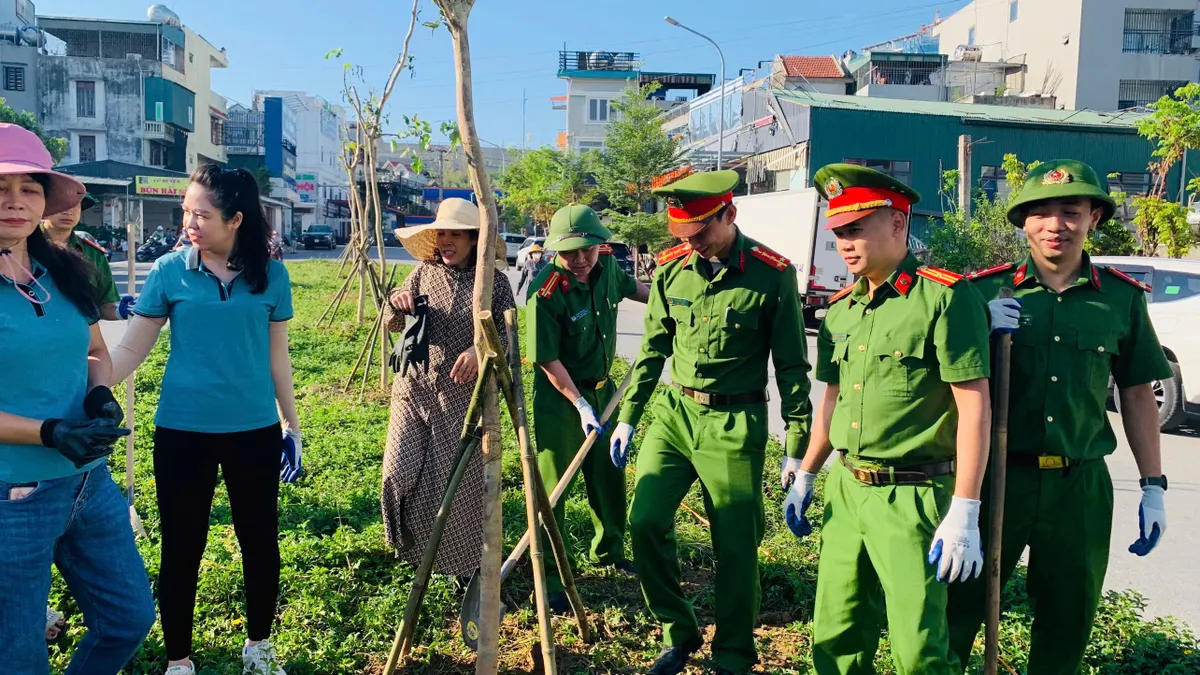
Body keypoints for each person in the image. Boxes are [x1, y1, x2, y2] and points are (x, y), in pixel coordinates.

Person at [944, 160, 1173, 675]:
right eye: (1041, 213)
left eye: (1071, 211)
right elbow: (944, 383)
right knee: (958, 610)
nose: (1056, 225)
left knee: (1067, 619)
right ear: (1022, 222)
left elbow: (1137, 394)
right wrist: (975, 326)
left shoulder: (1120, 298)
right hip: (995, 478)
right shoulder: (982, 292)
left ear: (1093, 218)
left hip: (1079, 486)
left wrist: (1153, 485)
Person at [784, 164, 992, 675]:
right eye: (838, 233)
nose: (845, 244)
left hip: (913, 494)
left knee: (918, 645)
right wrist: (808, 471)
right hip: (848, 489)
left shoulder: (943, 297)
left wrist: (965, 507)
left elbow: (974, 407)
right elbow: (830, 400)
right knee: (836, 633)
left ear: (898, 224)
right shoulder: (840, 310)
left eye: (857, 229)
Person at [610, 170, 813, 675]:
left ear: (730, 214)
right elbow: (653, 349)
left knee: (737, 546)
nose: (693, 243)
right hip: (675, 415)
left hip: (734, 422)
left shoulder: (772, 274)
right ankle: (679, 632)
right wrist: (629, 418)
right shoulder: (671, 270)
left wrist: (797, 441)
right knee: (645, 521)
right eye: (683, 235)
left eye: (701, 232)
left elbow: (791, 364)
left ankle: (734, 656)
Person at [108, 164, 302, 675]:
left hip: (253, 432)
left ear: (236, 219)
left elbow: (277, 357)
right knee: (181, 545)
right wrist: (82, 382)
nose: (189, 221)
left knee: (259, 540)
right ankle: (178, 660)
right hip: (182, 433)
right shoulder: (171, 271)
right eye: (186, 211)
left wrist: (292, 424)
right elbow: (130, 351)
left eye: (202, 213)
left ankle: (258, 647)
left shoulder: (271, 276)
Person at [0, 122, 154, 675]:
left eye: (29, 188)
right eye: (1, 187)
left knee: (128, 618)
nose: (16, 202)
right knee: (17, 654)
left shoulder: (61, 269)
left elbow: (94, 350)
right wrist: (47, 432)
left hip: (88, 481)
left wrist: (99, 397)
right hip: (11, 494)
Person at [381, 198, 515, 577]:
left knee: (455, 485)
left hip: (461, 401)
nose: (446, 241)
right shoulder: (423, 273)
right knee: (399, 471)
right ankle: (406, 546)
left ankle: (459, 569)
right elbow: (392, 321)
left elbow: (507, 336)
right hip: (413, 389)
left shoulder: (494, 284)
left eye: (455, 233)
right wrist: (397, 301)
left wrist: (480, 349)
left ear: (474, 239)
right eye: (441, 233)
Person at [526, 205, 650, 612]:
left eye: (587, 250)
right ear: (555, 253)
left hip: (604, 392)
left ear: (601, 245)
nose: (580, 260)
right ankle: (550, 578)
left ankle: (610, 551)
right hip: (561, 399)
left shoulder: (609, 268)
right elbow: (546, 358)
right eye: (569, 253)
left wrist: (671, 307)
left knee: (609, 473)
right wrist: (578, 402)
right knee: (553, 488)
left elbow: (639, 291)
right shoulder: (545, 291)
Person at [42, 193, 136, 320]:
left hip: (82, 334)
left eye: (75, 206)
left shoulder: (93, 253)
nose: (68, 211)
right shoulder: (21, 245)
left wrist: (120, 311)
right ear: (44, 207)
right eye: (61, 204)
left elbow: (104, 305)